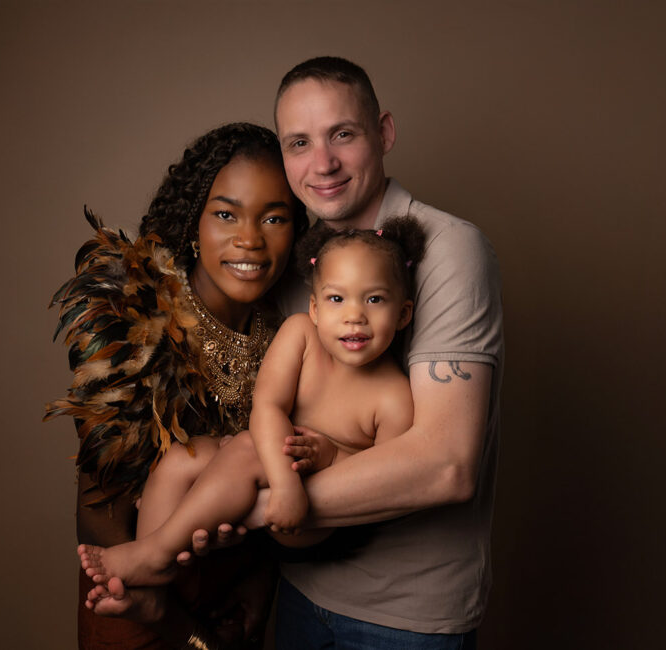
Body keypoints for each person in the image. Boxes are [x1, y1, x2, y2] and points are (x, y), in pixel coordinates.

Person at [192, 57, 504, 648]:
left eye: (343, 134)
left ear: (383, 134)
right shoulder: (298, 265)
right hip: (303, 591)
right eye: (299, 143)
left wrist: (244, 513)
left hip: (406, 618)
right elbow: (277, 418)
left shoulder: (448, 251)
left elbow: (447, 465)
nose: (323, 163)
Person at [46, 122, 308, 649]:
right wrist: (171, 619)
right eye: (226, 214)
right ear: (193, 222)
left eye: (274, 217)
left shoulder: (293, 331)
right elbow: (99, 513)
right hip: (130, 596)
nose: (250, 239)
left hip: (232, 602)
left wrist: (263, 581)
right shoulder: (136, 318)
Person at [78, 218, 425, 595]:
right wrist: (282, 479)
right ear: (314, 308)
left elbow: (387, 484)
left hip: (315, 516)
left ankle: (155, 553)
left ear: (403, 314)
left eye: (374, 299)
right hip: (275, 473)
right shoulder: (301, 335)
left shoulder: (395, 397)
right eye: (336, 299)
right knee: (184, 457)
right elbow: (268, 406)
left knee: (245, 449)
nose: (354, 315)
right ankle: (148, 582)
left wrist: (330, 458)